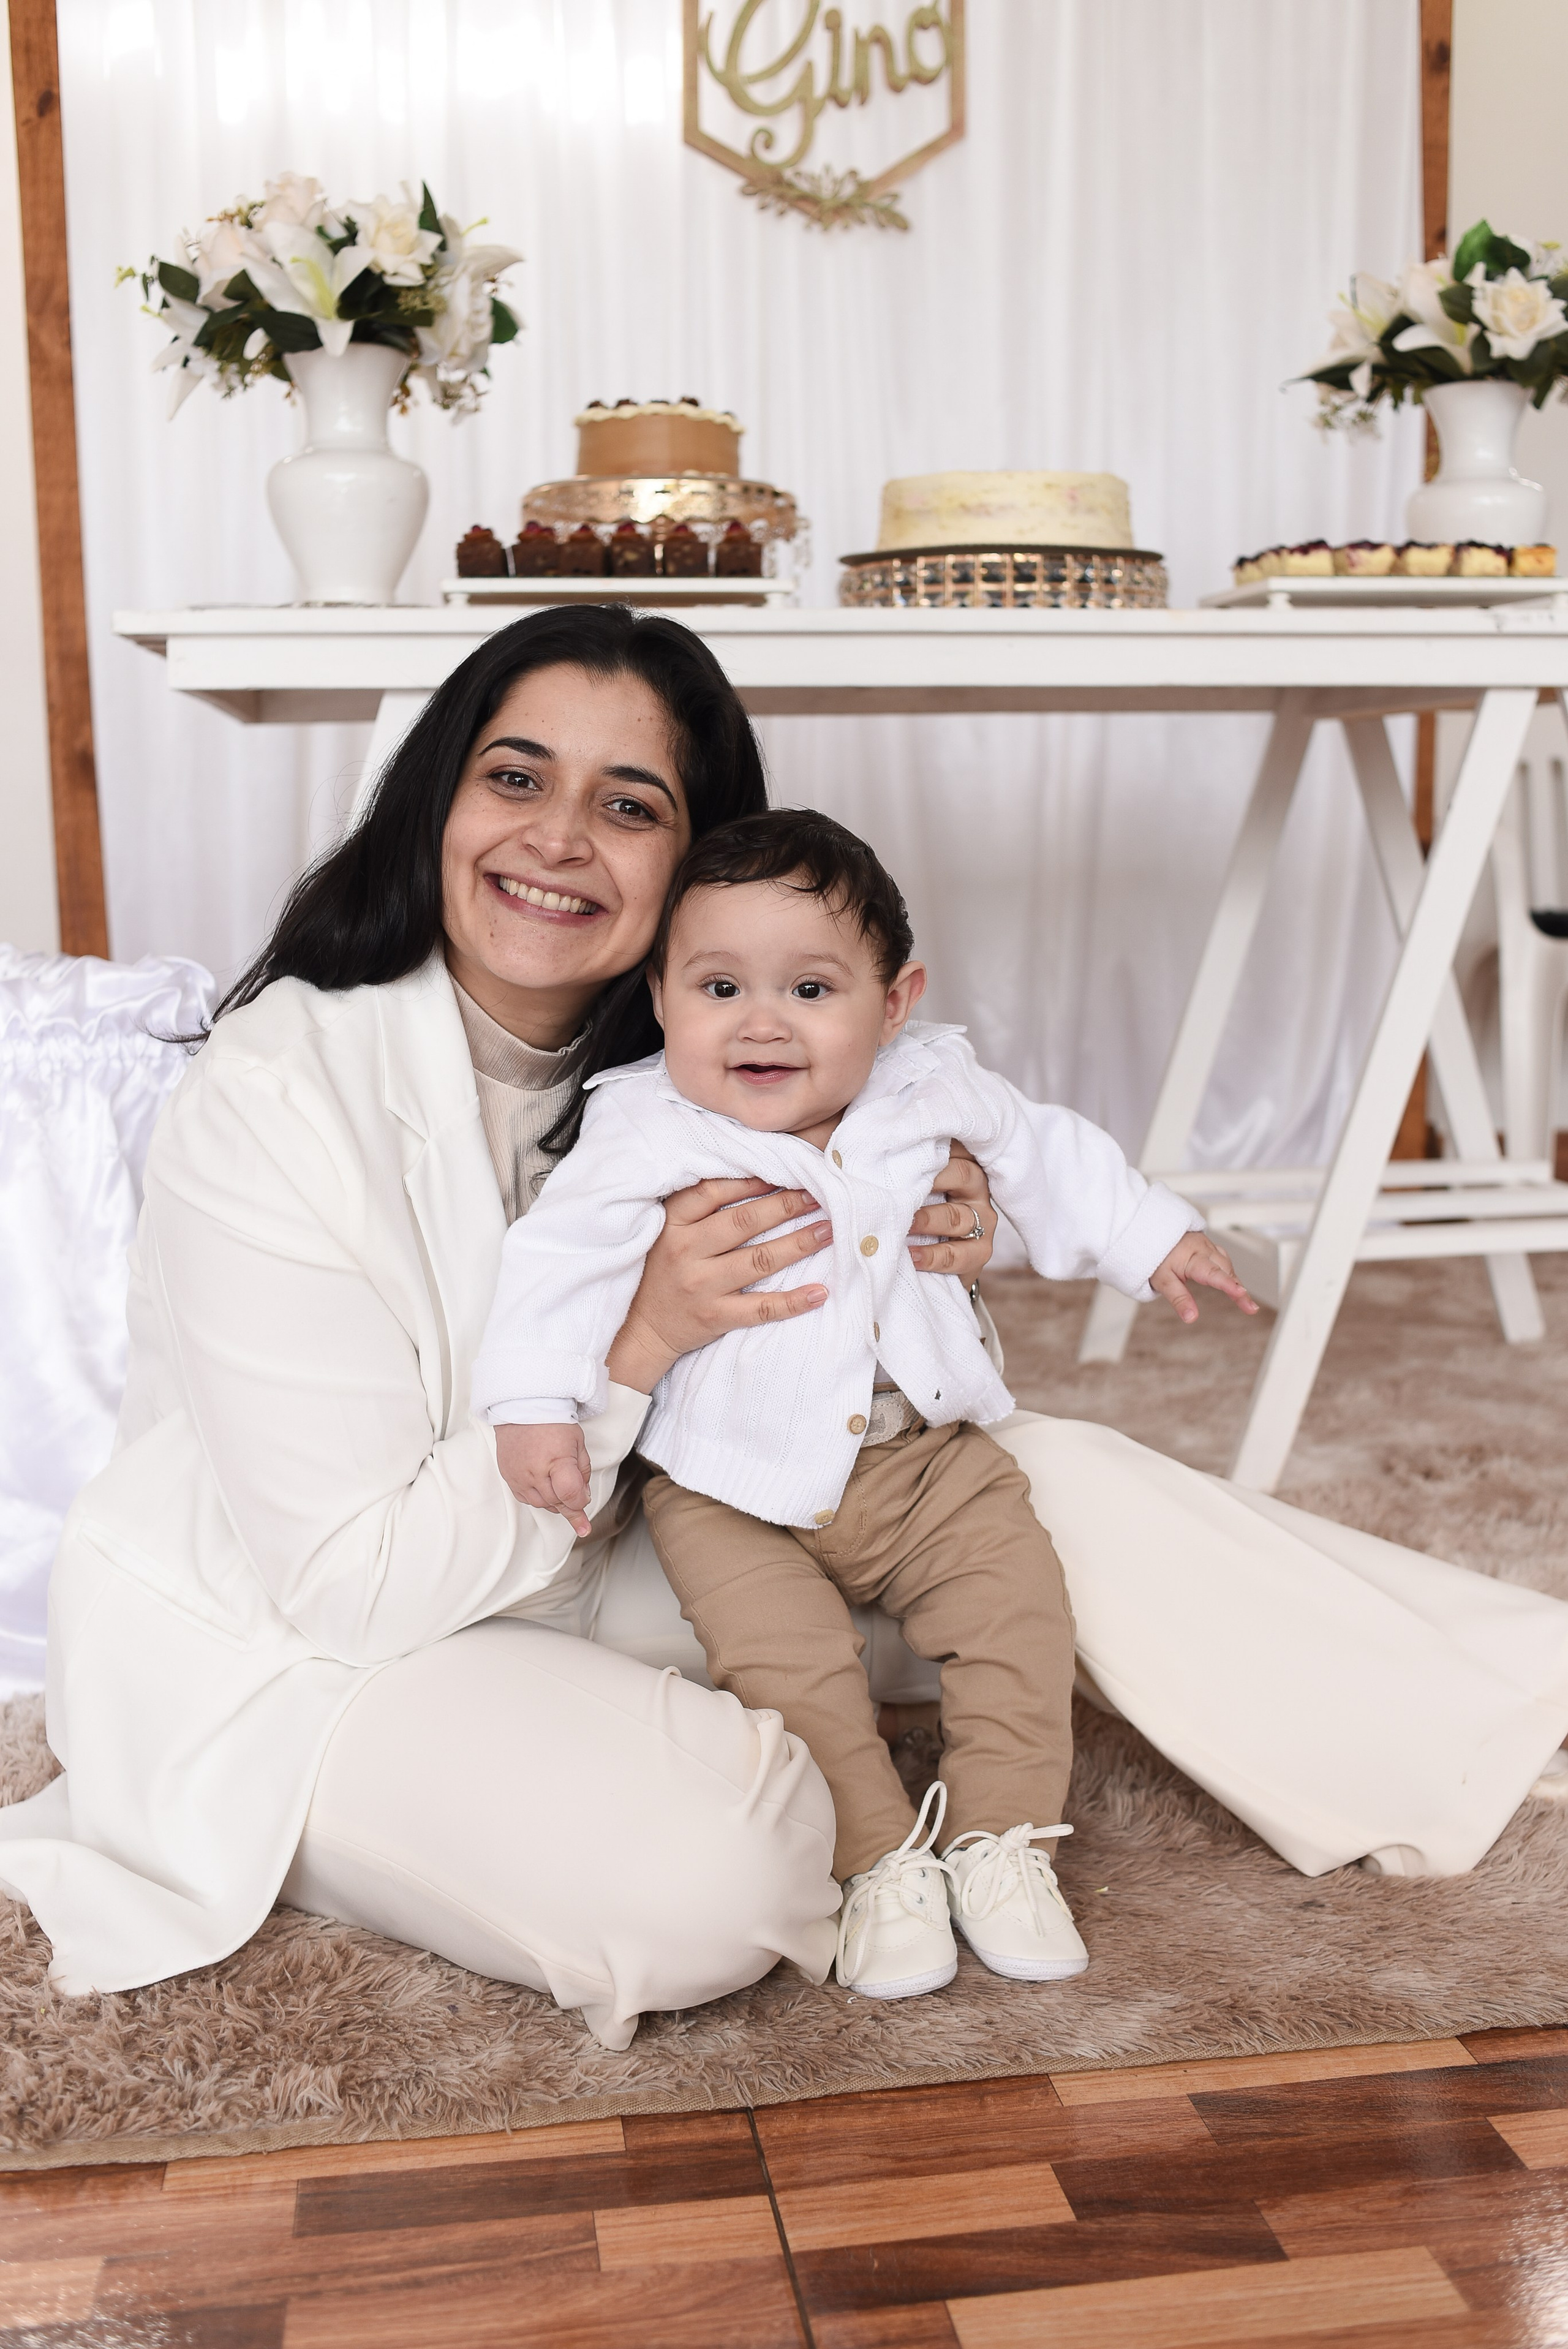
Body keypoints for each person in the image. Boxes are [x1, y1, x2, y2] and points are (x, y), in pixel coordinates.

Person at [1, 609, 1564, 2056]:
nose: (558, 837)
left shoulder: (711, 1053)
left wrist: (952, 1223)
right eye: (515, 776)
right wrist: (633, 1344)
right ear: (436, 799)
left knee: (1026, 1484)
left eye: (628, 805)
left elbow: (941, 1155)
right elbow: (355, 1580)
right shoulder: (280, 1091)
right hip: (327, 1644)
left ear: (692, 869)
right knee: (717, 1870)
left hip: (614, 1546)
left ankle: (1502, 1706)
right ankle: (554, 1805)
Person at [475, 809, 1257, 2002]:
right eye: (719, 984)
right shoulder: (645, 1121)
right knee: (785, 1669)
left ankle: (999, 1839)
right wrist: (535, 1403)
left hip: (923, 1454)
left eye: (809, 987)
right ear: (661, 993)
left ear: (892, 1003)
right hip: (725, 1480)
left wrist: (1152, 1237)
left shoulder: (928, 1083)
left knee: (1018, 1612)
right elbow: (558, 1258)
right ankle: (876, 1858)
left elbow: (1048, 1156)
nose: (760, 1019)